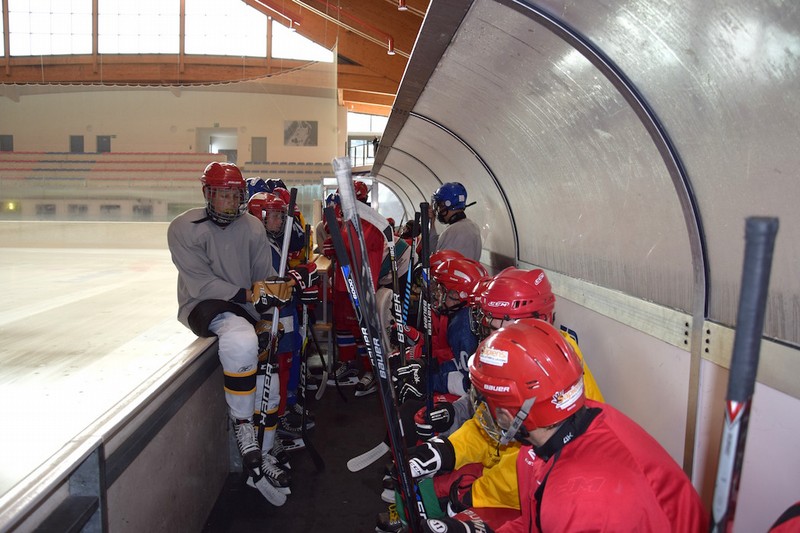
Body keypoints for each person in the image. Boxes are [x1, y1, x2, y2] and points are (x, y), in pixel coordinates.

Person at [417, 319, 708, 532]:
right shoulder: (547, 438)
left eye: (487, 400)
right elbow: (534, 524)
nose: (482, 411)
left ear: (515, 410)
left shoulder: (577, 496)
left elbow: (556, 515)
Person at [167, 162, 303, 496]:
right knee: (241, 341)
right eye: (223, 194)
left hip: (246, 307)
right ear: (207, 193)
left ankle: (264, 452)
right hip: (205, 305)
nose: (230, 201)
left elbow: (262, 278)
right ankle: (243, 427)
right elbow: (202, 284)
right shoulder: (183, 228)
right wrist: (251, 295)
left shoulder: (253, 227)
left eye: (235, 195)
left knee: (270, 387)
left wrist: (272, 300)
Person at [429, 182, 481, 261]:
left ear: (445, 204)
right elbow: (435, 247)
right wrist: (431, 222)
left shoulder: (457, 230)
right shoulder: (469, 226)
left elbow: (443, 263)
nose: (438, 210)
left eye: (439, 205)